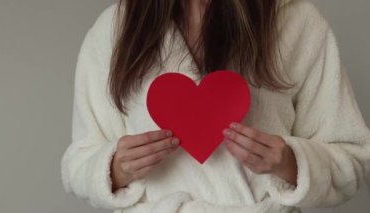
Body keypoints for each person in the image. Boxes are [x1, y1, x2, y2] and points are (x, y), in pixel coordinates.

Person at [60, 0, 370, 212]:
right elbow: (77, 163)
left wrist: (290, 162)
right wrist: (115, 168)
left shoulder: (296, 22)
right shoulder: (115, 29)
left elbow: (355, 157)